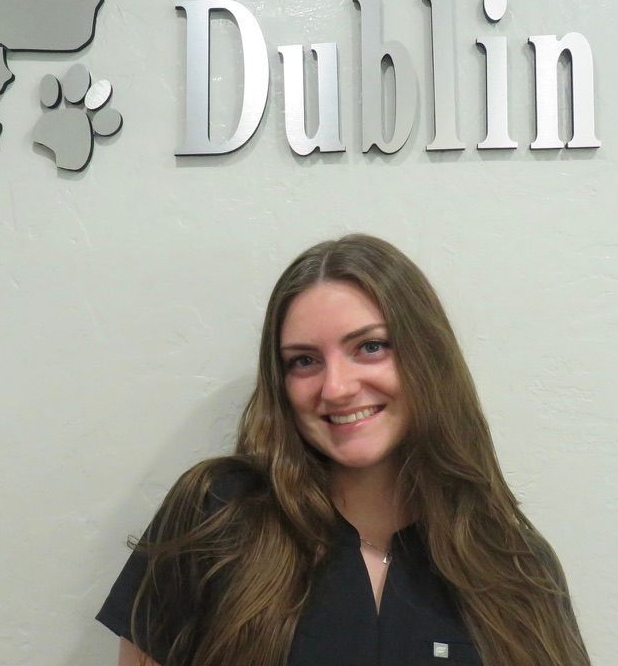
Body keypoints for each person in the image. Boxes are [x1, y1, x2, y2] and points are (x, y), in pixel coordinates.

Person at [97, 234, 589, 666]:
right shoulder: (215, 515)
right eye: (304, 361)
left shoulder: (514, 562)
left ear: (427, 356)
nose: (336, 388)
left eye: (370, 347)